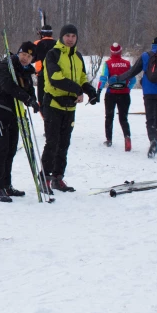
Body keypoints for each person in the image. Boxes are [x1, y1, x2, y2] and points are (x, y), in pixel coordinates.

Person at [41, 24, 97, 192]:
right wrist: (77, 89)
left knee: (64, 144)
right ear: (61, 37)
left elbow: (81, 77)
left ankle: (58, 178)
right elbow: (55, 78)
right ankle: (45, 179)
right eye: (67, 36)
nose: (70, 39)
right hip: (53, 104)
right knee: (52, 143)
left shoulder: (78, 56)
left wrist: (90, 91)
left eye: (73, 36)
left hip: (70, 107)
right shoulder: (53, 54)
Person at [0, 41, 39, 203]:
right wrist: (26, 98)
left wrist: (33, 100)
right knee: (2, 149)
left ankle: (7, 184)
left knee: (11, 150)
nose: (25, 58)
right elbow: (8, 86)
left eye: (29, 56)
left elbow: (29, 89)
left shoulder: (26, 71)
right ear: (18, 53)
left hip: (14, 115)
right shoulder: (6, 65)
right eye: (23, 54)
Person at [112, 35, 157, 158]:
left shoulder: (146, 56)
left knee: (150, 117)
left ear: (152, 45)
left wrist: (118, 78)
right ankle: (156, 138)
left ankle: (152, 140)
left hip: (149, 91)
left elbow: (132, 71)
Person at [96, 43, 136, 151]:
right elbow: (133, 80)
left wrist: (99, 91)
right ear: (121, 51)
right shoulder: (127, 64)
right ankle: (127, 137)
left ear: (111, 52)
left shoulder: (108, 63)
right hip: (124, 94)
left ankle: (109, 140)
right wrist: (128, 88)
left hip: (111, 94)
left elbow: (103, 77)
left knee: (109, 117)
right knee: (123, 118)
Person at [33, 24, 56, 109]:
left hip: (41, 74)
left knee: (41, 99)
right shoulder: (57, 44)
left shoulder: (37, 44)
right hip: (54, 75)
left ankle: (44, 115)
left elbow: (32, 58)